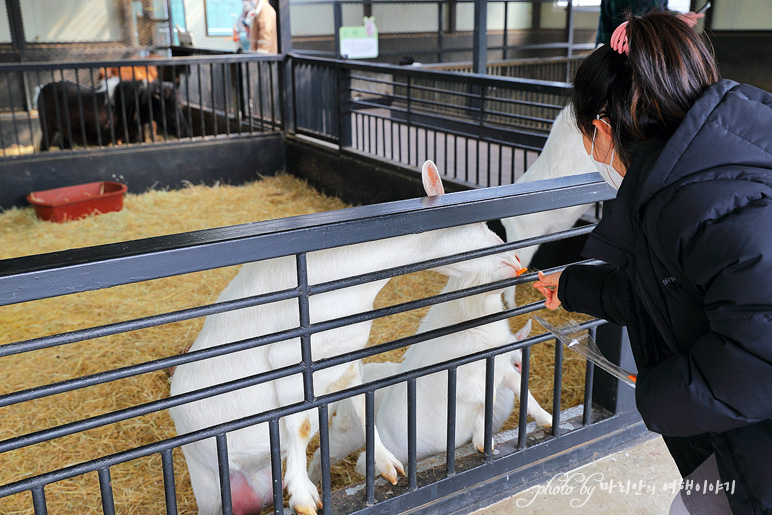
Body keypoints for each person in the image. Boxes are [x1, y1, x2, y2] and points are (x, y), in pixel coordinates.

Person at [533, 11, 772, 515]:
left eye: (584, 134)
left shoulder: (690, 203)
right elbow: (665, 291)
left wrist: (657, 392)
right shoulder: (702, 169)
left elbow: (760, 361)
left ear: (602, 130)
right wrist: (573, 286)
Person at [596, 0, 703, 46]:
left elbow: (661, 8)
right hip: (622, 47)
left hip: (617, 44)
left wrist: (680, 16)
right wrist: (676, 18)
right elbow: (642, 18)